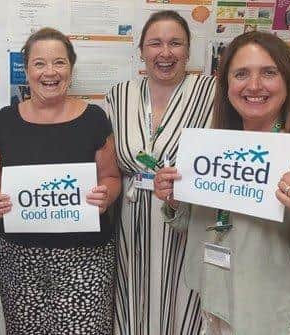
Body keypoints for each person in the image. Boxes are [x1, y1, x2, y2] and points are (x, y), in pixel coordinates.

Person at [154, 31, 290, 335]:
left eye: (268, 72)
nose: (254, 86)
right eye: (241, 74)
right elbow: (201, 226)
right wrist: (176, 199)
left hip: (280, 313)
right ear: (226, 86)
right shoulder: (214, 146)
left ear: (289, 81)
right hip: (217, 301)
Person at [0, 27, 122, 334]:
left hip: (86, 256)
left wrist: (106, 196)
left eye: (59, 63)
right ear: (26, 69)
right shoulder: (3, 122)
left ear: (71, 68)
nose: (50, 72)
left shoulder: (94, 119)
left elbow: (111, 176)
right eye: (39, 63)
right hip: (21, 258)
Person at [104, 10, 215, 335]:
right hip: (130, 222)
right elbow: (106, 160)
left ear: (188, 49)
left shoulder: (212, 93)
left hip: (186, 222)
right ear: (141, 50)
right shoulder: (119, 95)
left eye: (175, 43)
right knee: (133, 307)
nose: (165, 53)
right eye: (155, 43)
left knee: (182, 306)